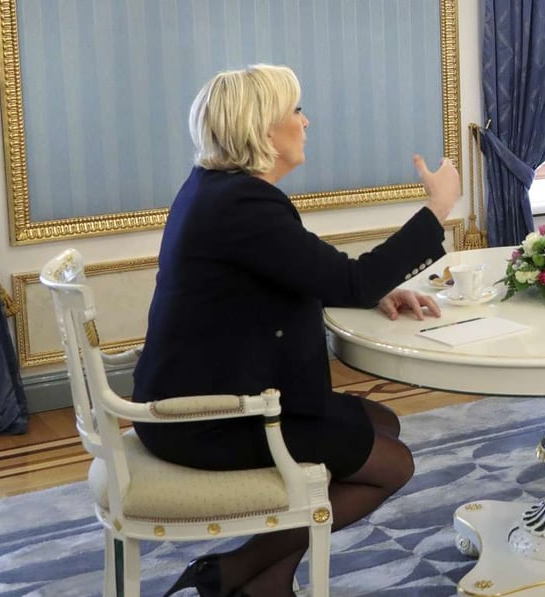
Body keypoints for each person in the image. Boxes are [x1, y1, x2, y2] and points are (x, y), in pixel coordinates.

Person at [131, 64, 460, 597]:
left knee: (382, 423)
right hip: (206, 416)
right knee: (391, 465)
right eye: (296, 112)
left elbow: (301, 271)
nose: (306, 122)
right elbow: (346, 277)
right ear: (264, 130)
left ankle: (269, 580)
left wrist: (373, 289)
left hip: (200, 393)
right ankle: (233, 572)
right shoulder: (243, 205)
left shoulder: (219, 192)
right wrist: (438, 208)